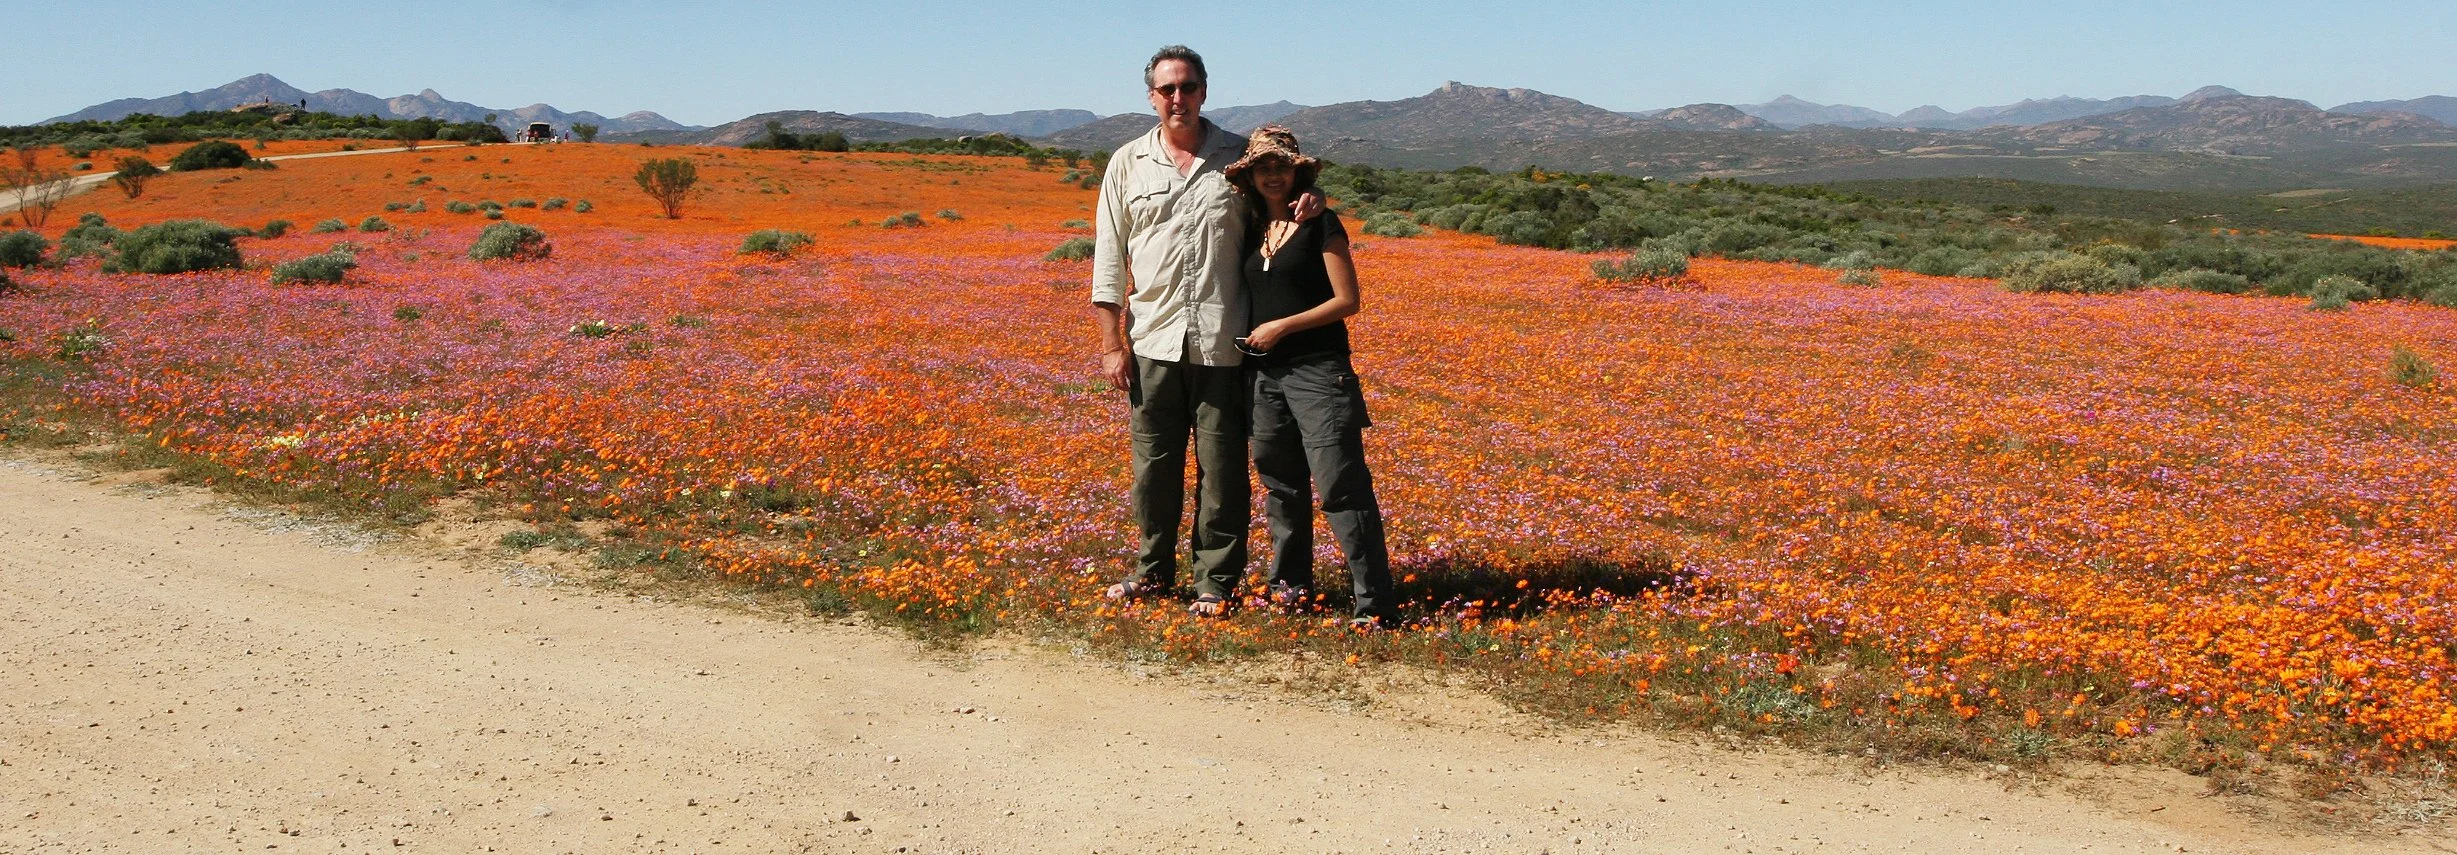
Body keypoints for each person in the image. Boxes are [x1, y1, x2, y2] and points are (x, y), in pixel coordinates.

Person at [1090, 45, 1318, 617]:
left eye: (1187, 87)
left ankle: (1215, 581)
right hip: (1153, 340)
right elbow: (1109, 260)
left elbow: (1280, 210)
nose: (1177, 98)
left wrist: (1309, 201)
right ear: (1151, 96)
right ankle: (1151, 571)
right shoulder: (1127, 163)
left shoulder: (1238, 159)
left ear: (1204, 92)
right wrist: (1111, 343)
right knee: (1154, 466)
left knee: (1222, 471)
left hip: (1223, 341)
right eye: (1167, 89)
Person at [1221, 126, 1398, 629]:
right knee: (1282, 486)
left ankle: (1374, 603)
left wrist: (1281, 327)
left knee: (1341, 485)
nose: (1273, 174)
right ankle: (1290, 587)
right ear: (1251, 177)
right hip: (1265, 376)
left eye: (1282, 166)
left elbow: (1348, 301)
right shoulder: (1253, 226)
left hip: (1319, 372)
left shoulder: (1322, 223)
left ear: (1297, 171)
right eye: (1263, 167)